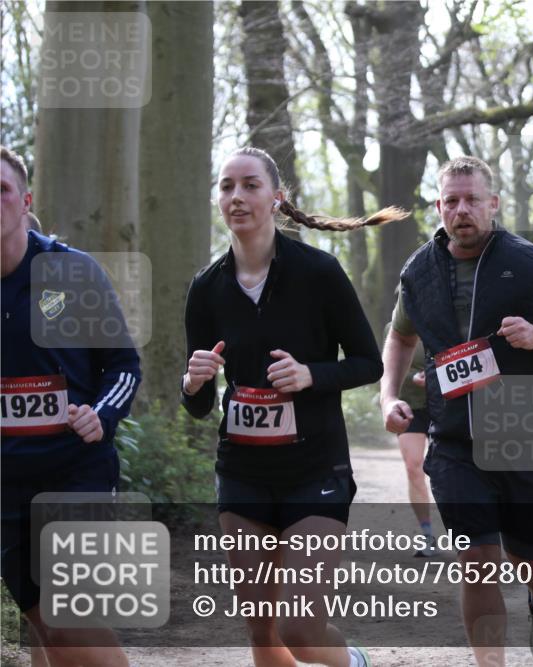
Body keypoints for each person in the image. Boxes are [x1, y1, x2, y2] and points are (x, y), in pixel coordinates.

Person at [182, 146, 406, 667]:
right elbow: (200, 405)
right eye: (226, 186)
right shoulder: (206, 288)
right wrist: (193, 386)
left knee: (299, 628)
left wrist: (311, 375)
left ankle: (354, 662)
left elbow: (370, 363)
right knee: (262, 634)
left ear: (276, 198)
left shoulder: (318, 273)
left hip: (315, 470)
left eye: (250, 185)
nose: (236, 196)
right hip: (242, 473)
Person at [380, 156, 533, 666]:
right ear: (438, 207)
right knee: (476, 562)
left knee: (528, 559)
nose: (462, 210)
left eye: (472, 199)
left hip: (520, 424)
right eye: (451, 201)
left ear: (493, 204)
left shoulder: (527, 261)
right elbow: (399, 336)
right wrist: (388, 394)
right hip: (452, 436)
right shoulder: (418, 272)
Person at [1, 146, 141, 667]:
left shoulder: (72, 272)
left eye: (3, 189)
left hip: (75, 471)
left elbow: (125, 367)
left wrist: (98, 415)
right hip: (6, 485)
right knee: (46, 634)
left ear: (24, 200)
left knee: (70, 619)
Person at [384, 322, 436, 557]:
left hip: (443, 404)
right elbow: (388, 368)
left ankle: (470, 536)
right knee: (414, 466)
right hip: (409, 405)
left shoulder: (444, 321)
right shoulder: (393, 330)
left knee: (452, 468)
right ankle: (428, 534)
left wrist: (434, 377)